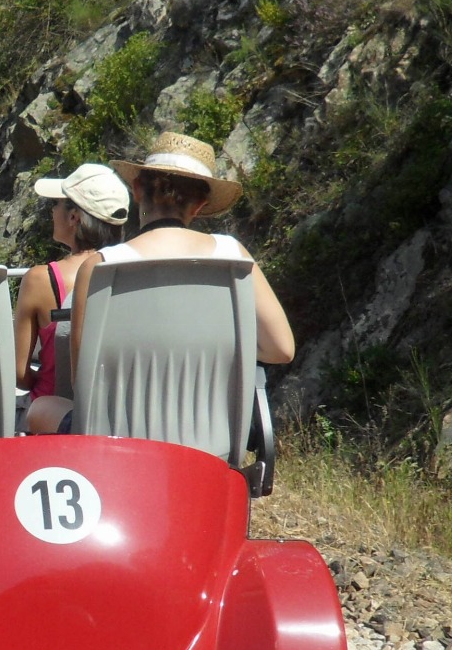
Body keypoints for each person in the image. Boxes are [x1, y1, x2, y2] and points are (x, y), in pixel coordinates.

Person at [26, 132, 295, 434]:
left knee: (41, 408)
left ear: (137, 189)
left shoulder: (101, 266)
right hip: (209, 439)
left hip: (124, 440)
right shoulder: (234, 255)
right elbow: (281, 349)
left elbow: (83, 380)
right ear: (199, 205)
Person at [14, 163, 130, 400]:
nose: (52, 211)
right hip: (113, 411)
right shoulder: (131, 274)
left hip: (52, 417)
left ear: (74, 217)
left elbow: (20, 375)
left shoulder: (41, 279)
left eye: (56, 203)